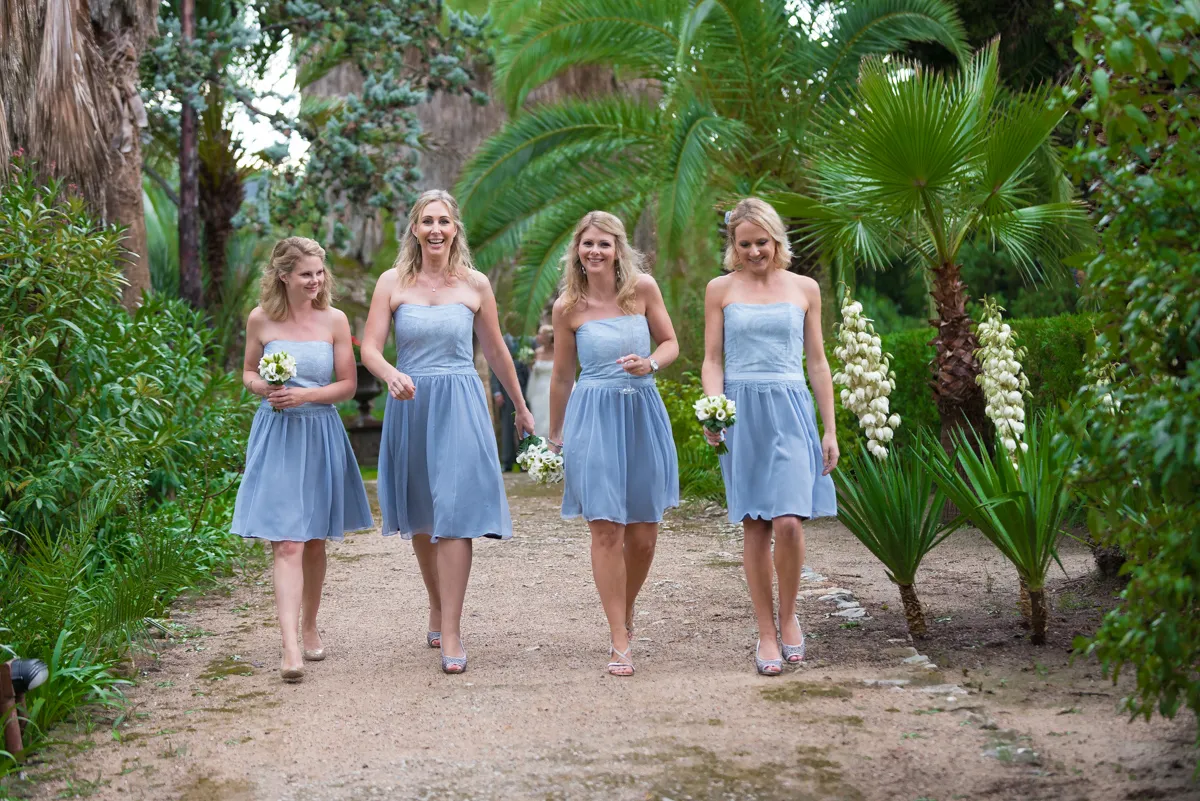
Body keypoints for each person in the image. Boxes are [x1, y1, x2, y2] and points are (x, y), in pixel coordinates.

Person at [361, 189, 534, 674]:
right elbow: (370, 348)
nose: (435, 229)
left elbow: (496, 351)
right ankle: (436, 603)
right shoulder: (392, 282)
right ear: (414, 229)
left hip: (460, 402)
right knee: (425, 515)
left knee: (455, 513)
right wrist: (391, 374)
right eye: (426, 221)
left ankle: (453, 628)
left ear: (455, 228)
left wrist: (521, 406)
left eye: (443, 221)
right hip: (411, 402)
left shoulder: (475, 285)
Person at [700, 198, 838, 676]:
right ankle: (765, 633)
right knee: (756, 525)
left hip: (791, 408)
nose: (755, 251)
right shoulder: (720, 289)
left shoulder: (805, 288)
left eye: (762, 242)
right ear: (733, 247)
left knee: (789, 523)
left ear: (777, 240)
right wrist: (713, 410)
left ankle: (789, 615)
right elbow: (713, 359)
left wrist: (830, 427)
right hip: (742, 414)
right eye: (745, 244)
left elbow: (817, 362)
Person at [232, 236, 374, 683]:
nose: (315, 281)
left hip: (320, 432)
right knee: (287, 541)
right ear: (283, 276)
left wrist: (307, 394)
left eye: (319, 273)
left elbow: (348, 385)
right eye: (306, 273)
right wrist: (264, 389)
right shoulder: (260, 320)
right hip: (277, 434)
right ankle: (290, 646)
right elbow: (248, 372)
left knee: (313, 539)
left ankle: (310, 623)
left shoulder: (334, 320)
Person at [547, 211, 679, 676]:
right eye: (588, 245)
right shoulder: (568, 307)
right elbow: (563, 375)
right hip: (593, 417)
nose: (595, 252)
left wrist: (651, 364)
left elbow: (669, 343)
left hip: (642, 412)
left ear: (619, 249)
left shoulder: (642, 290)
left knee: (643, 535)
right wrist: (556, 433)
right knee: (607, 528)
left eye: (604, 244)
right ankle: (619, 638)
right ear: (577, 252)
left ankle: (625, 609)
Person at [491, 334, 531, 470]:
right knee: (507, 428)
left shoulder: (522, 352)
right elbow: (494, 376)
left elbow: (528, 377)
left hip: (523, 395)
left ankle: (524, 462)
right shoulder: (499, 346)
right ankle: (507, 462)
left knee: (524, 430)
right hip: (506, 397)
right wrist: (497, 393)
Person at [524, 325, 554, 438]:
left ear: (547, 337)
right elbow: (534, 371)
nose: (538, 337)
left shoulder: (559, 351)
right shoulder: (537, 352)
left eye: (541, 334)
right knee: (540, 420)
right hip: (538, 391)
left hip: (553, 389)